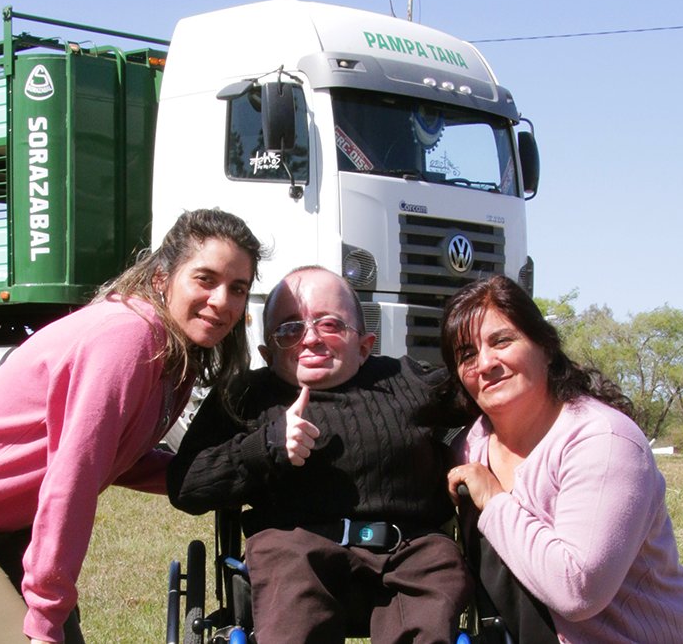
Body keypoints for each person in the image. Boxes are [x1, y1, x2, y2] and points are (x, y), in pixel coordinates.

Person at [0, 209, 265, 644]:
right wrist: (46, 618)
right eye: (205, 279)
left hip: (6, 514)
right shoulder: (128, 339)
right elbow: (73, 479)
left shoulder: (177, 357)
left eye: (237, 289)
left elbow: (118, 458)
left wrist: (220, 475)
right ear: (161, 278)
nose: (222, 301)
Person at [167, 266, 472, 644]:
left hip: (411, 550)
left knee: (436, 592)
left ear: (364, 346)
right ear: (267, 352)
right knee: (291, 587)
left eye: (331, 325)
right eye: (289, 329)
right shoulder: (245, 396)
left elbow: (488, 392)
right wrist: (266, 447)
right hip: (295, 550)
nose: (310, 339)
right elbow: (186, 485)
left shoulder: (405, 380)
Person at [440, 275, 683, 644]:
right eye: (467, 355)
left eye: (502, 340)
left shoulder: (602, 441)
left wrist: (494, 501)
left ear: (544, 345)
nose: (485, 363)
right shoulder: (470, 445)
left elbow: (578, 590)